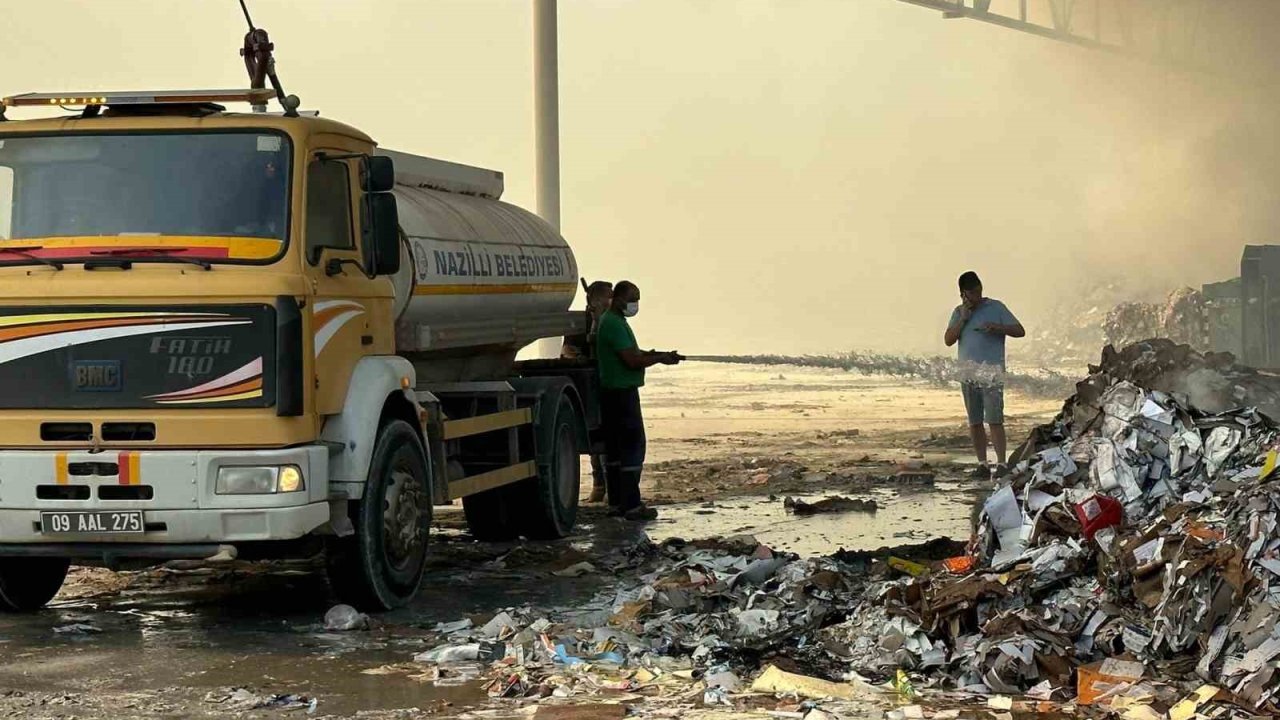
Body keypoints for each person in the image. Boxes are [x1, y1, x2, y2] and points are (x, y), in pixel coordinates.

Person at [595, 280, 683, 521]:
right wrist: (658, 359)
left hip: (612, 394)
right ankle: (632, 506)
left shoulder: (614, 322)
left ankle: (617, 504)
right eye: (633, 299)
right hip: (622, 394)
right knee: (632, 449)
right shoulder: (613, 323)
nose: (636, 305)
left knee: (615, 452)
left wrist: (656, 355)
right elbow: (631, 361)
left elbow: (632, 353)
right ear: (620, 298)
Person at [944, 271, 1024, 478]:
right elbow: (949, 339)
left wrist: (998, 327)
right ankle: (982, 464)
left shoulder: (995, 307)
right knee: (975, 421)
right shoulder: (959, 312)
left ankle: (1002, 463)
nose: (977, 297)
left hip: (991, 374)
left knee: (995, 419)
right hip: (968, 374)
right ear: (963, 294)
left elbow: (1019, 330)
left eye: (979, 291)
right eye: (972, 294)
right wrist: (963, 318)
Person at [561, 280, 614, 503]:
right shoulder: (580, 322)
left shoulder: (611, 321)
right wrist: (579, 358)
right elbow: (567, 348)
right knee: (595, 440)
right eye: (607, 297)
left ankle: (610, 487)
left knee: (608, 439)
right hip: (587, 385)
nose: (611, 301)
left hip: (608, 383)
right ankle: (599, 486)